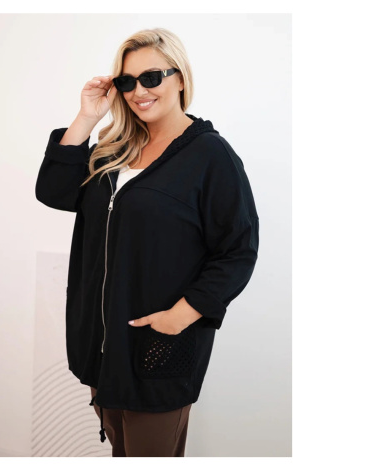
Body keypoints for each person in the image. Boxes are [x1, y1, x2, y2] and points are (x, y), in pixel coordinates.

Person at [35, 27, 259, 457]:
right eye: (126, 81)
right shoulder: (115, 149)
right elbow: (55, 192)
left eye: (151, 77)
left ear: (180, 78)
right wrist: (86, 118)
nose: (138, 91)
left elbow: (238, 249)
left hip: (159, 349)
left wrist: (183, 315)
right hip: (103, 347)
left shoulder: (210, 156)